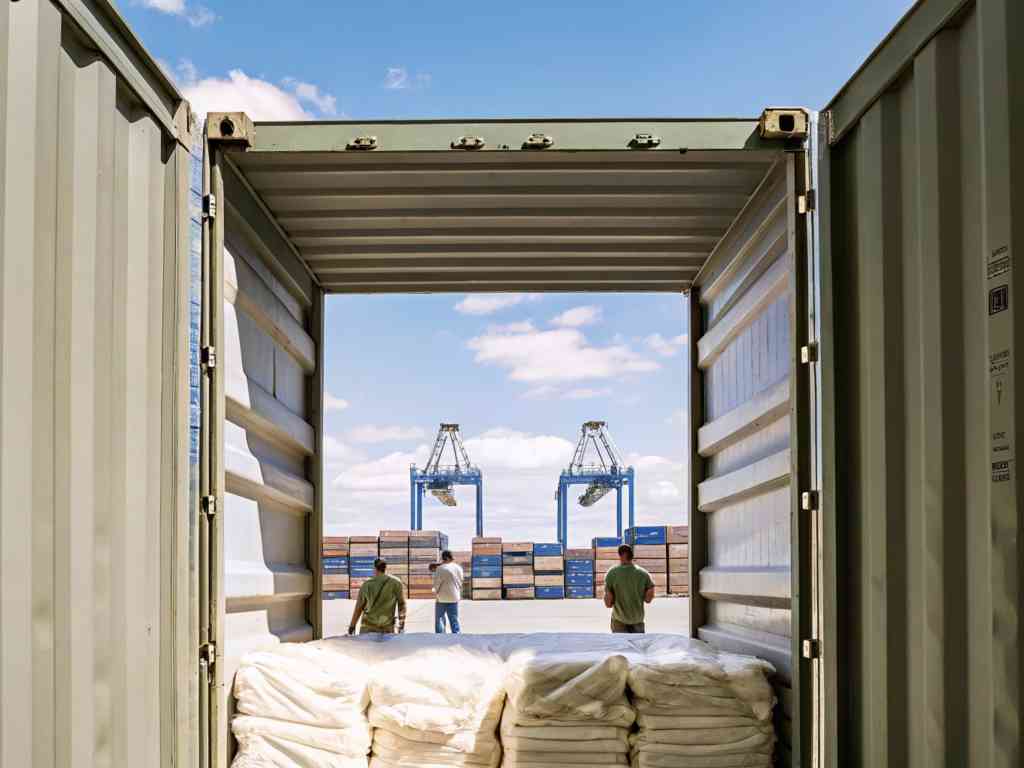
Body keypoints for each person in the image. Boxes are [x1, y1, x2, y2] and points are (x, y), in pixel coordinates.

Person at [603, 544, 655, 633]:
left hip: (619, 621)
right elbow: (648, 599)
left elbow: (608, 603)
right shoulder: (643, 574)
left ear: (620, 556)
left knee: (621, 646)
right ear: (632, 556)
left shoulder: (612, 573)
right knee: (637, 646)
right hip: (637, 621)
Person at [348, 559, 407, 635]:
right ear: (386, 568)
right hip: (387, 629)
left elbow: (358, 608)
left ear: (375, 568)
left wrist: (352, 626)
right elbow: (402, 605)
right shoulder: (396, 583)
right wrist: (401, 625)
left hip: (368, 629)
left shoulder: (367, 585)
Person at [430, 550, 464, 634]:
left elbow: (437, 583)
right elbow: (461, 581)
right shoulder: (458, 568)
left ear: (444, 558)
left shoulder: (440, 568)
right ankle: (456, 635)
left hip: (442, 598)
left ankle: (440, 636)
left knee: (440, 618)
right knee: (454, 618)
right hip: (454, 597)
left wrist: (435, 591)